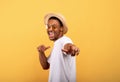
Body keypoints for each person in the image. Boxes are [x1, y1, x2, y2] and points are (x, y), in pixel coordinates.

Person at [37, 13, 80, 82]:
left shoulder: (65, 40)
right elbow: (45, 66)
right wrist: (41, 53)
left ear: (61, 29)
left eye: (54, 27)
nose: (50, 29)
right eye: (48, 27)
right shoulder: (57, 44)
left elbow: (68, 45)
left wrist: (72, 48)